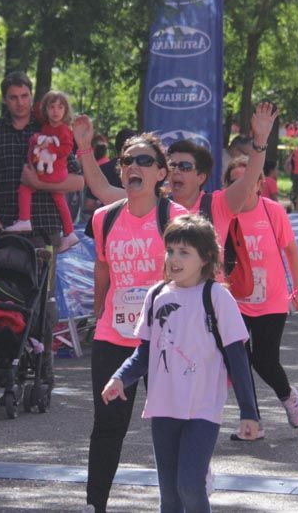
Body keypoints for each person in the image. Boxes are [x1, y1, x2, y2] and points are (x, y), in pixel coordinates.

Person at [101, 214, 260, 513]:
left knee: (189, 485)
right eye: (170, 250)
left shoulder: (217, 298)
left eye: (184, 252)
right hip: (164, 408)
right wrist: (121, 377)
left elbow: (238, 360)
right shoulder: (156, 295)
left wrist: (249, 413)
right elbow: (145, 353)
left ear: (205, 258)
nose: (174, 259)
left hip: (203, 408)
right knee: (170, 495)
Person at [85, 133, 189, 513]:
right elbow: (102, 265)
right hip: (114, 336)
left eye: (145, 161)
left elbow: (197, 273)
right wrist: (100, 309)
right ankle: (94, 505)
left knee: (170, 424)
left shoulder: (176, 218)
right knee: (108, 425)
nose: (135, 167)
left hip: (166, 339)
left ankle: (181, 498)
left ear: (161, 172)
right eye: (129, 160)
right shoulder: (104, 218)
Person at [219, 156, 298, 440]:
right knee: (239, 362)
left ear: (259, 184)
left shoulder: (273, 212)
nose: (242, 185)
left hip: (272, 300)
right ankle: (251, 422)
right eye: (234, 180)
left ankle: (288, 397)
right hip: (236, 300)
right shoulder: (224, 213)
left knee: (264, 360)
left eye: (248, 178)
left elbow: (291, 252)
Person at [75, 103, 277, 220]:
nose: (176, 171)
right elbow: (102, 189)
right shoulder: (152, 204)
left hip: (208, 294)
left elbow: (250, 178)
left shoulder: (218, 205)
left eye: (185, 166)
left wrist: (260, 141)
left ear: (201, 177)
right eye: (172, 166)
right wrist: (84, 146)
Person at [0, 72, 83, 246]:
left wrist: (39, 184)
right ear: (4, 99)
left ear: (31, 96)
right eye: (13, 98)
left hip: (45, 228)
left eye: (24, 96)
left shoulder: (50, 126)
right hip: (5, 227)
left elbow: (78, 181)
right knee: (2, 274)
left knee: (44, 274)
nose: (20, 103)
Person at [6, 90, 80, 252]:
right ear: (45, 110)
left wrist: (50, 148)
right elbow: (37, 110)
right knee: (60, 200)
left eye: (60, 107)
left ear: (66, 111)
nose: (56, 111)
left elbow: (67, 149)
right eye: (51, 107)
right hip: (50, 168)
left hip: (55, 171)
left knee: (25, 187)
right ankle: (69, 233)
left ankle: (25, 219)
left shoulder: (64, 130)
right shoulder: (46, 126)